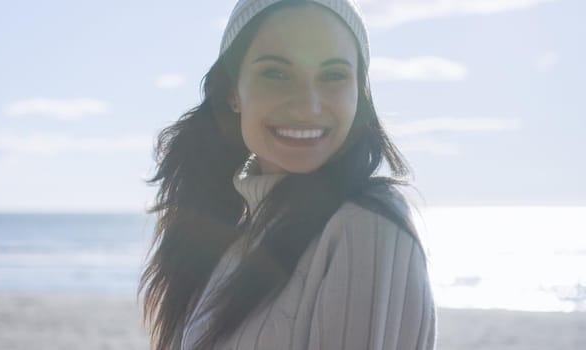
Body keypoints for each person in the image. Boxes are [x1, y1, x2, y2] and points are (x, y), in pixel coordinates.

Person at [140, 0, 437, 349]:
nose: (308, 106)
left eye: (333, 75)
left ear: (359, 93)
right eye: (277, 74)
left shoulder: (366, 225)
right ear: (234, 91)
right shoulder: (233, 233)